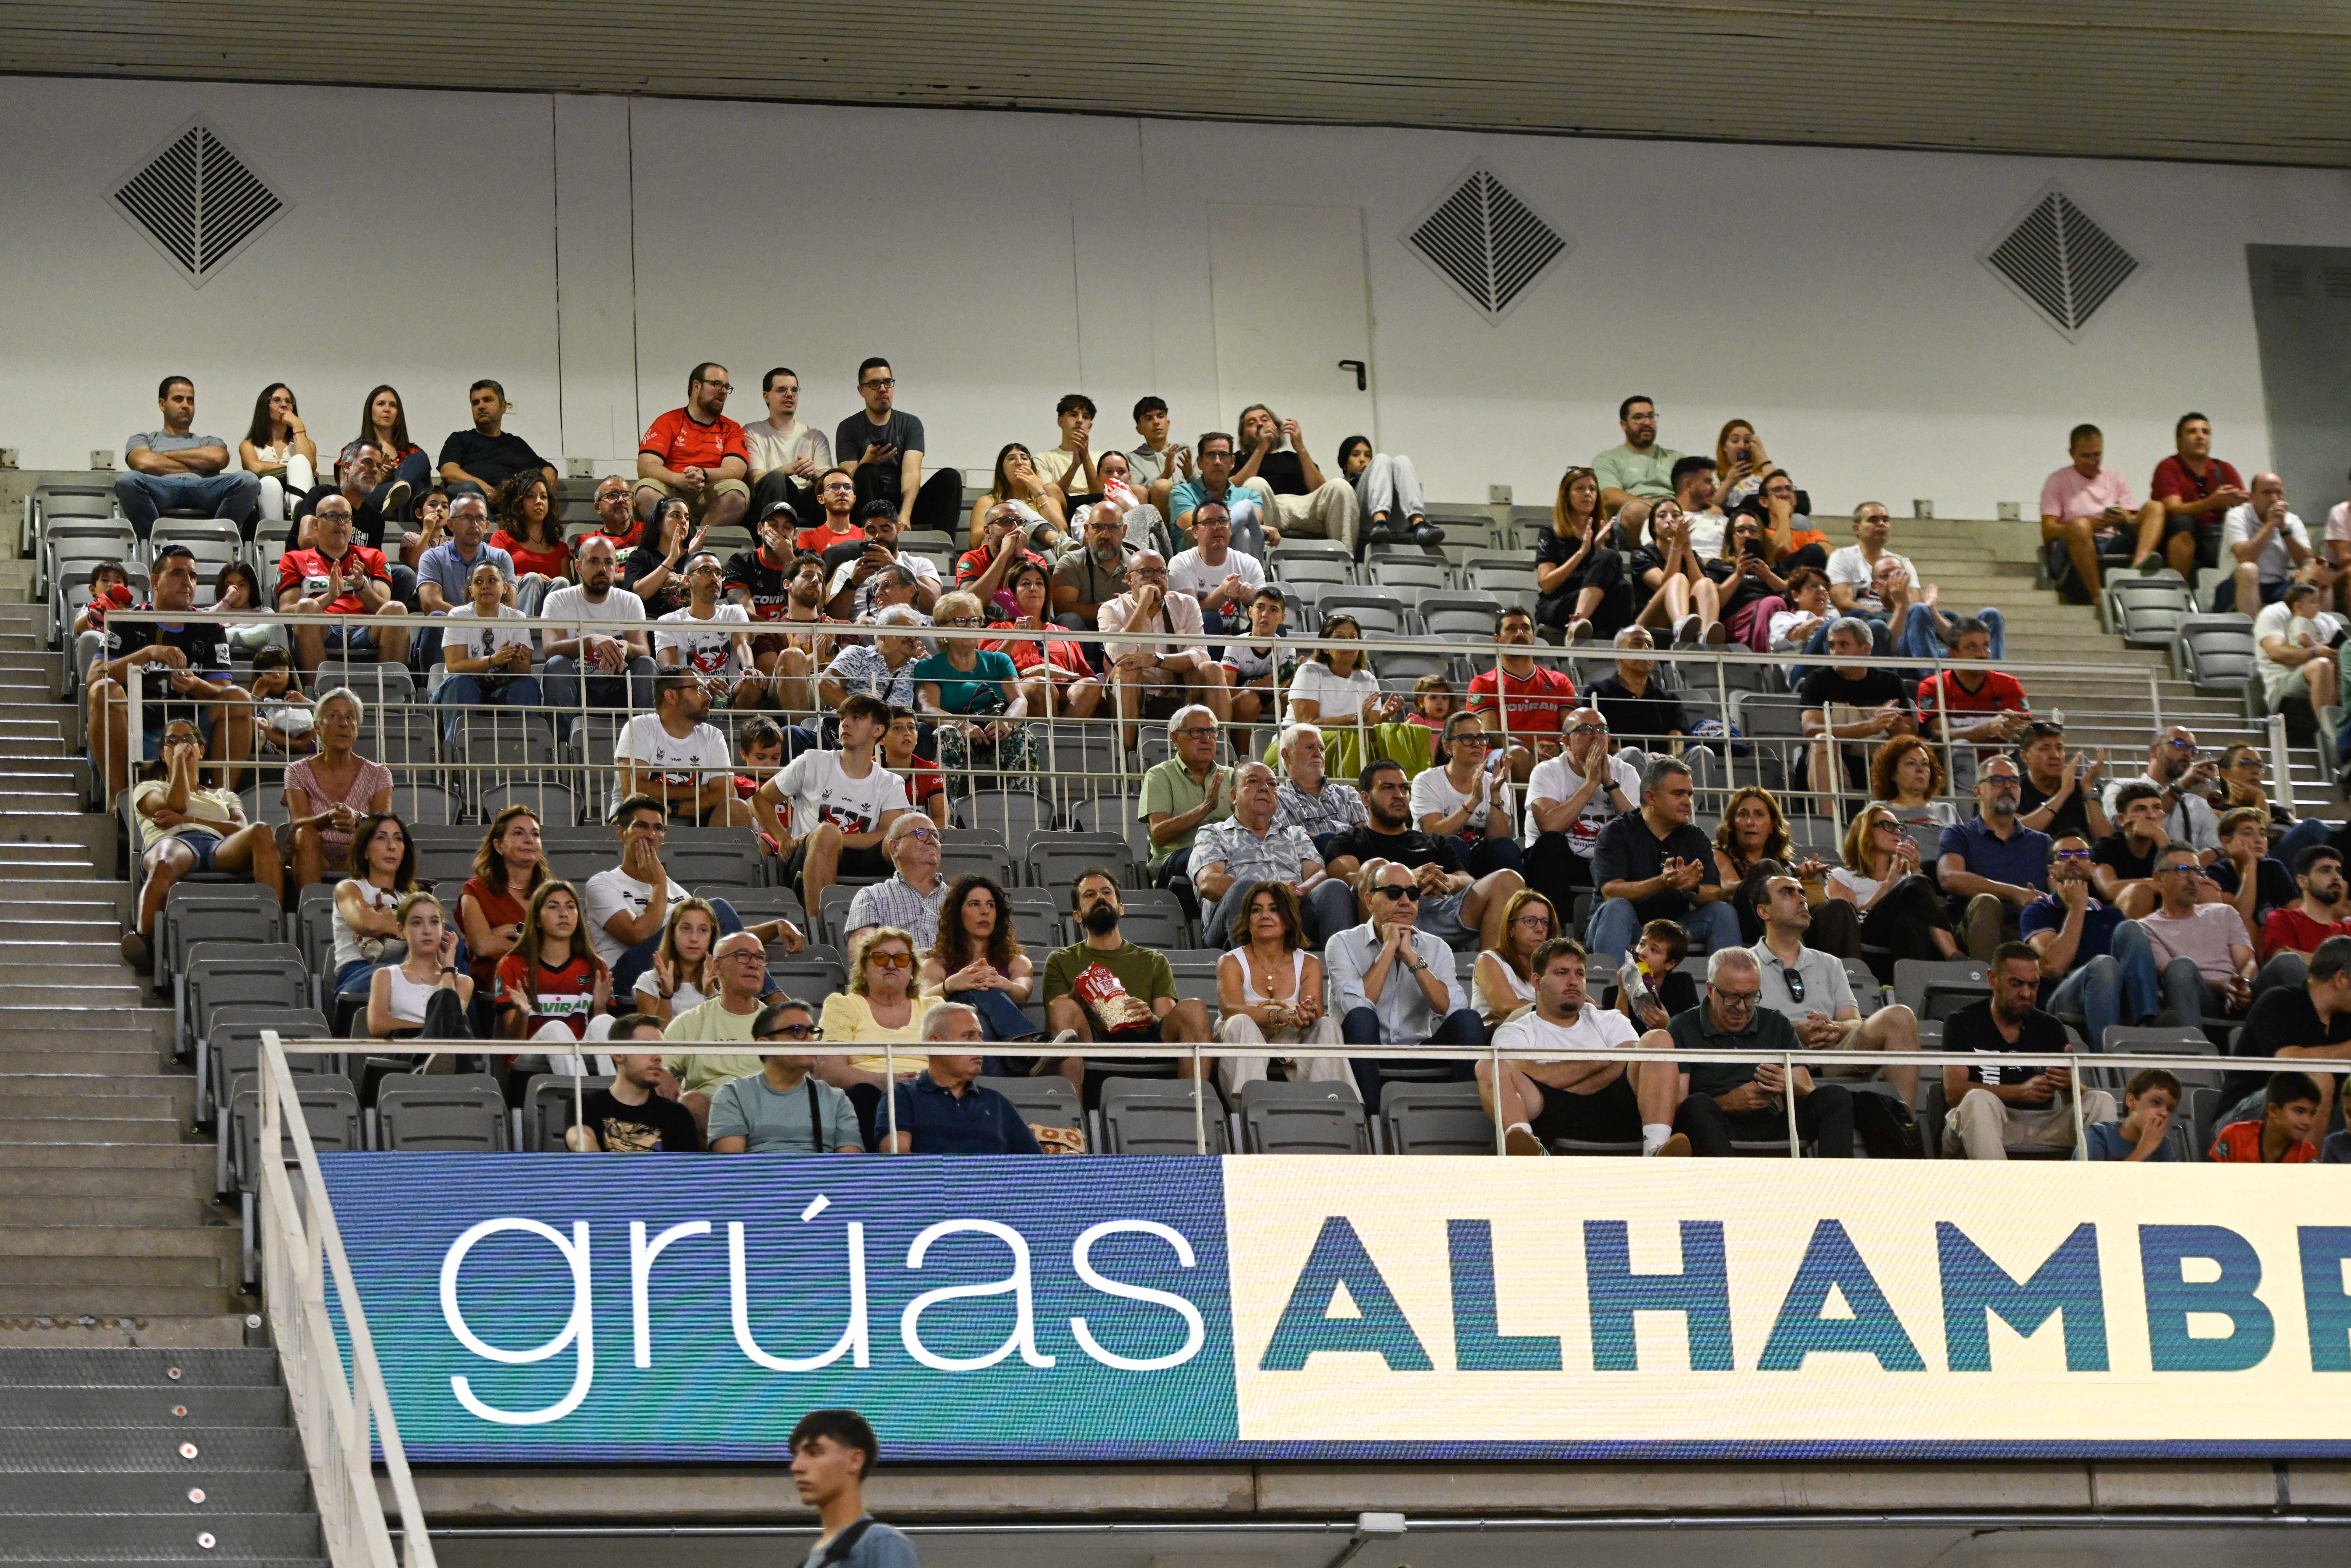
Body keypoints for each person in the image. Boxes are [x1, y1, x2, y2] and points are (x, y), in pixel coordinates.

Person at [1482, 937, 1687, 1157]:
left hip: (1616, 1111)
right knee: (1488, 1066)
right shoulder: (1515, 1031)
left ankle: (1656, 1151)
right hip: (1552, 1118)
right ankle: (1528, 1149)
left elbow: (1629, 1060)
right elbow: (1528, 1075)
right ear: (1537, 981)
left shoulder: (1611, 1019)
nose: (1573, 981)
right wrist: (1604, 1060)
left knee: (1658, 1039)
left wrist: (1558, 1082)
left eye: (1580, 974)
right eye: (1562, 973)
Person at [85, 544, 254, 802]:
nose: (188, 582)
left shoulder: (210, 628)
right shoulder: (126, 621)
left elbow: (223, 690)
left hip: (194, 735)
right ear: (155, 581)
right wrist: (148, 653)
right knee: (104, 690)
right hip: (135, 732)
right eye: (177, 573)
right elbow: (94, 677)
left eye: (193, 576)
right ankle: (117, 804)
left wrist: (196, 685)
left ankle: (221, 801)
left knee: (240, 698)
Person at [586, 793, 801, 993]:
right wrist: (659, 884)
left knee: (713, 916)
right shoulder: (603, 884)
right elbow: (638, 935)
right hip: (626, 977)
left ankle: (764, 1002)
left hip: (674, 973)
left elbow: (724, 933)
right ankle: (772, 998)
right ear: (621, 833)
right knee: (714, 908)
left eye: (658, 828)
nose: (651, 835)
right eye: (641, 826)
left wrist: (776, 926)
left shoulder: (675, 889)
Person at [1657, 946, 1853, 1158]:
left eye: (1751, 997)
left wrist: (1788, 1086)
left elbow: (1808, 1090)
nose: (1742, 1008)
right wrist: (1729, 1102)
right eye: (1732, 998)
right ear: (1711, 990)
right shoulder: (1682, 1027)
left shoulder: (1776, 1023)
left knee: (1836, 1096)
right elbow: (1678, 1107)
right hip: (1713, 1124)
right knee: (1695, 1106)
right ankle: (1734, 1185)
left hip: (1769, 1123)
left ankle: (1836, 1185)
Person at [121, 718, 283, 971]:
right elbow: (175, 805)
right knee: (164, 863)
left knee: (261, 831)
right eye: (173, 741)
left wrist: (189, 819)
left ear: (201, 750)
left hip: (218, 846)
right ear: (164, 755)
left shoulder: (223, 795)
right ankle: (145, 941)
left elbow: (240, 828)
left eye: (189, 740)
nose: (182, 745)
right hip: (174, 841)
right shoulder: (149, 788)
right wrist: (179, 771)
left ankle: (276, 925)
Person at [1751, 872, 1922, 1104]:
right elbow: (1739, 1022)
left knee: (1900, 1016)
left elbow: (1853, 1022)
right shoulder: (1743, 963)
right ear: (1765, 912)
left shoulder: (1830, 963)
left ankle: (1905, 1124)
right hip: (1775, 1057)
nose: (1801, 899)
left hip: (1830, 1056)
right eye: (1788, 893)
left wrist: (1836, 1028)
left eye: (1802, 892)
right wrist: (1793, 1029)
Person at [1325, 860, 1486, 1107]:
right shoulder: (1342, 943)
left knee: (1468, 1020)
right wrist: (1389, 948)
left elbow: (1452, 1009)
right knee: (1361, 1018)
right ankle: (1370, 1122)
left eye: (1412, 894)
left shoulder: (1436, 947)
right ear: (1369, 901)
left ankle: (1466, 1112)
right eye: (1393, 893)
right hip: (1362, 1054)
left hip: (1418, 1051)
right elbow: (1356, 1007)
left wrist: (1411, 957)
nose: (1405, 902)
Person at [1323, 759, 1526, 955]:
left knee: (1508, 879)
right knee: (1376, 867)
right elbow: (1347, 877)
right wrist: (1409, 878)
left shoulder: (1433, 841)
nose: (1399, 795)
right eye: (1388, 788)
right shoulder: (1348, 840)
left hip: (1438, 910)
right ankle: (1381, 964)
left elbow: (1467, 879)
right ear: (1366, 798)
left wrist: (1449, 880)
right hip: (1387, 913)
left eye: (1404, 788)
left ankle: (1489, 974)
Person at [1041, 870, 1211, 1103]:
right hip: (1094, 1040)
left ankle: (1194, 1108)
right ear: (1078, 916)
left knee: (1194, 1009)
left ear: (1121, 908)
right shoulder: (1061, 960)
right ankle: (1074, 1120)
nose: (1100, 898)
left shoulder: (1153, 959)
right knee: (1063, 1006)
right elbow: (1059, 1019)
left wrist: (1151, 1017)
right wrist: (1081, 993)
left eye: (1107, 892)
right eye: (1090, 895)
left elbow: (1166, 1017)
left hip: (1147, 1039)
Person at [1939, 942, 2115, 1160]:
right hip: (1979, 1122)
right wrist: (2020, 1092)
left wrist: (2070, 1083)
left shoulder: (2050, 1027)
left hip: (2039, 1124)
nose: (2026, 993)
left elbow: (2071, 1101)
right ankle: (2001, 1193)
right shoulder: (1962, 1021)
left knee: (2102, 1101)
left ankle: (2093, 1189)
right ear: (1993, 979)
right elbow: (1953, 1092)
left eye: (2033, 985)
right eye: (2017, 984)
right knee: (1979, 1100)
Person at [757, 694, 908, 910]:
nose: (845, 723)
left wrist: (838, 839)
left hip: (859, 860)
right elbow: (761, 800)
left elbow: (886, 834)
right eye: (843, 718)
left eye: (856, 718)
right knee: (826, 834)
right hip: (806, 856)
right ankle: (819, 928)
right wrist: (782, 838)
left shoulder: (891, 782)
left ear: (878, 731)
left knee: (914, 830)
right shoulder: (813, 761)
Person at [1586, 757, 1739, 958]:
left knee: (1723, 913)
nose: (1687, 802)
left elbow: (1714, 892)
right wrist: (1663, 882)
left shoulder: (1695, 836)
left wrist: (1692, 888)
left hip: (1673, 929)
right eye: (1679, 794)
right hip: (1624, 925)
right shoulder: (1617, 832)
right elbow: (1611, 891)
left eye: (1689, 794)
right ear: (1651, 798)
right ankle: (1610, 989)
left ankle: (1732, 986)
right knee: (1618, 907)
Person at [1191, 761, 1353, 947]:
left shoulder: (1295, 834)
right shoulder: (1213, 833)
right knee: (1242, 888)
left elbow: (1318, 874)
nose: (1264, 788)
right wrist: (1268, 894)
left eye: (1272, 784)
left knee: (1334, 887)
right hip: (1237, 920)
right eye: (1253, 782)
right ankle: (1250, 970)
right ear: (1234, 796)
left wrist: (1299, 891)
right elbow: (1208, 883)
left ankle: (1340, 972)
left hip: (1292, 917)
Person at [1214, 883, 1348, 1095]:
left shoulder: (1309, 963)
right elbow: (1230, 1009)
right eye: (1256, 910)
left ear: (1288, 920)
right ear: (1247, 921)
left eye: (1274, 909)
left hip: (1293, 1038)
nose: (1265, 916)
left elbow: (1315, 1014)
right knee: (1241, 1023)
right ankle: (1249, 1106)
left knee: (1327, 1026)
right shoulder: (1230, 961)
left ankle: (1334, 1104)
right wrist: (1279, 1015)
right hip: (1243, 1039)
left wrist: (1305, 1016)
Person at [2217, 933, 2351, 1134]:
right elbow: (2289, 1061)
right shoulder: (2280, 1002)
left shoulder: (2344, 1019)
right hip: (2239, 1122)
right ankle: (2310, 1165)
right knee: (2317, 1080)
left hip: (2311, 1122)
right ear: (2341, 979)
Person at [820, 925, 941, 1145]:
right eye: (881, 958)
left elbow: (955, 1062)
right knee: (864, 1095)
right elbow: (828, 1069)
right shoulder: (844, 1005)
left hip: (927, 1094)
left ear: (912, 969)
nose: (892, 965)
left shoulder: (934, 1007)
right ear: (864, 968)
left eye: (902, 959)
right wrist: (883, 1081)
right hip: (869, 1098)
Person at [1099, 552, 1231, 750]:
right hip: (1136, 690)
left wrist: (1155, 660)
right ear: (1129, 580)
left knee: (1213, 668)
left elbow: (1200, 653)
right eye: (1147, 572)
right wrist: (1143, 604)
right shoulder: (1111, 609)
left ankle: (1222, 751)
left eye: (1162, 572)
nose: (1156, 578)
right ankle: (1125, 758)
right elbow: (1120, 655)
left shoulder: (1186, 603)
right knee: (1127, 671)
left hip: (1180, 686)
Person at [707, 1001, 865, 1155]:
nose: (811, 1041)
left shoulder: (836, 1099)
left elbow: (849, 1169)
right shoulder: (733, 1095)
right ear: (764, 1045)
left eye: (812, 1032)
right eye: (798, 1031)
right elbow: (732, 1169)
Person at [660, 931, 780, 1132]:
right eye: (743, 956)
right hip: (713, 1117)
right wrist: (663, 1073)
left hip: (770, 1113)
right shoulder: (691, 1022)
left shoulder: (776, 1024)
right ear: (717, 967)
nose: (753, 964)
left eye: (760, 958)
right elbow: (658, 1064)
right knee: (692, 1102)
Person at [276, 492, 410, 671]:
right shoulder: (293, 559)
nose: (340, 522)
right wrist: (329, 598)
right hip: (323, 629)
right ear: (316, 525)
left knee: (397, 610)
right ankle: (317, 693)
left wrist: (363, 587)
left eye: (346, 517)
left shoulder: (373, 557)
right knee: (307, 607)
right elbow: (286, 612)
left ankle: (390, 693)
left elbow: (384, 610)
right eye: (332, 516)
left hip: (366, 630)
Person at [1936, 755, 2052, 960]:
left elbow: (2059, 890)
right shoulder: (1958, 834)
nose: (2008, 787)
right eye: (1997, 781)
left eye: (2014, 782)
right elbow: (1949, 878)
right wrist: (2012, 892)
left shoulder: (2043, 843)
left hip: (2029, 933)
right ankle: (1986, 987)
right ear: (1978, 791)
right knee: (1987, 903)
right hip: (1975, 930)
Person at [116, 376, 259, 540]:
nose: (186, 405)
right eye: (179, 399)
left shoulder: (209, 441)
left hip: (204, 488)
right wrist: (199, 466)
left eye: (190, 400)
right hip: (161, 489)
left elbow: (220, 458)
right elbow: (142, 462)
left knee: (249, 480)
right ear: (162, 404)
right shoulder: (144, 439)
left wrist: (162, 456)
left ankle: (216, 541)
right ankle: (156, 544)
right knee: (128, 480)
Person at [883, 1008, 1043, 1154]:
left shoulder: (998, 1103)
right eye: (969, 1036)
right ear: (935, 1043)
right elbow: (899, 1162)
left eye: (980, 1036)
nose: (980, 1044)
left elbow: (1039, 1168)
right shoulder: (901, 1096)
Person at [1522, 706, 1637, 909]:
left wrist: (1609, 783)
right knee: (1549, 844)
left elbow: (1640, 832)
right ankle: (1555, 931)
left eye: (1602, 730)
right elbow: (1549, 826)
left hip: (1609, 866)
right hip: (1565, 864)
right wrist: (1591, 783)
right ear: (1566, 742)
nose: (1595, 736)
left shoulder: (1625, 772)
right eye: (1585, 729)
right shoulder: (1547, 772)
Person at [279, 688, 392, 891]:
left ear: (357, 729)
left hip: (359, 855)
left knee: (378, 838)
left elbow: (383, 824)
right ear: (318, 728)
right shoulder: (296, 771)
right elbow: (299, 821)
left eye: (351, 718)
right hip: (314, 852)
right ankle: (312, 913)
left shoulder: (379, 774)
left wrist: (357, 818)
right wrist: (330, 817)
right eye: (334, 716)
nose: (344, 724)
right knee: (305, 834)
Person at [2137, 840, 2258, 1030]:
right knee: (2181, 967)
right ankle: (2191, 1050)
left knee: (2287, 962)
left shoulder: (2224, 913)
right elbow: (2170, 975)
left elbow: (2247, 961)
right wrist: (2223, 984)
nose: (2194, 879)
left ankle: (2298, 1053)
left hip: (2242, 994)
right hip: (2199, 997)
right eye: (2184, 870)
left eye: (2198, 871)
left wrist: (2243, 982)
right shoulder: (2146, 928)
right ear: (2159, 879)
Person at [913, 591, 1034, 775]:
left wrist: (1008, 723)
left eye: (975, 620)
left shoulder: (999, 660)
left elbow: (1019, 700)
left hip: (997, 731)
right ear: (943, 629)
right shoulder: (929, 666)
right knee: (946, 734)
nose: (970, 626)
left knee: (1024, 738)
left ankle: (1024, 802)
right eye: (961, 621)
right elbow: (928, 709)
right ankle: (946, 803)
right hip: (957, 734)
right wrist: (961, 724)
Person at [614, 670, 755, 828]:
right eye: (699, 690)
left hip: (699, 825)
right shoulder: (640, 727)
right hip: (642, 822)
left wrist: (674, 809)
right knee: (640, 806)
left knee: (736, 809)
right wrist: (699, 792)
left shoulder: (713, 736)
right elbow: (635, 790)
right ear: (672, 696)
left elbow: (724, 794)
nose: (709, 697)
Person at [835, 357, 961, 533]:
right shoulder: (848, 428)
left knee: (950, 477)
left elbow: (911, 472)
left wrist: (905, 515)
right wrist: (867, 462)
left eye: (888, 383)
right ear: (861, 390)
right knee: (867, 471)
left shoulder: (911, 424)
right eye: (874, 384)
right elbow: (847, 482)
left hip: (902, 501)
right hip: (867, 503)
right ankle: (872, 535)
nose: (883, 389)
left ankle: (944, 551)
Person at [2038, 423, 2167, 595]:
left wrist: (2123, 519)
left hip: (2111, 540)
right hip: (2073, 544)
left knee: (2156, 507)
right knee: (2080, 526)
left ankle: (2139, 565)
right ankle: (2098, 596)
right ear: (2072, 454)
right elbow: (2048, 530)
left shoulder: (2116, 478)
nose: (2093, 462)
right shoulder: (2057, 481)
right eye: (2086, 456)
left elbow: (2131, 519)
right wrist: (2087, 527)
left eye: (2097, 455)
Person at [1798, 617, 1915, 799]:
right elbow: (1811, 730)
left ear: (1866, 649)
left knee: (1917, 752)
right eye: (1832, 646)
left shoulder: (1890, 682)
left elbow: (1910, 734)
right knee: (1822, 742)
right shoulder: (1818, 680)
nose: (1835, 652)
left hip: (1878, 763)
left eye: (1844, 645)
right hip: (1832, 763)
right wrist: (1869, 727)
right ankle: (1830, 822)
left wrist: (1897, 726)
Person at [540, 535, 655, 716]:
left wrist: (627, 646)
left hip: (618, 685)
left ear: (616, 568)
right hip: (578, 685)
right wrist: (589, 641)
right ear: (579, 567)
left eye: (609, 563)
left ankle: (649, 736)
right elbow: (550, 649)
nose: (602, 569)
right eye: (594, 561)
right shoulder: (559, 599)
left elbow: (644, 650)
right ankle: (562, 743)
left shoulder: (630, 601)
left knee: (646, 664)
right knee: (557, 665)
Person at [788, 1409, 919, 1568]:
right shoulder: (812, 1561)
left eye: (814, 1453)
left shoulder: (880, 1542)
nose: (796, 1467)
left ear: (855, 1461)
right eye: (796, 1455)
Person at [1830, 802, 1960, 961]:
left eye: (1899, 827)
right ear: (1865, 832)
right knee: (1917, 883)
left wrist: (1916, 871)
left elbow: (1928, 913)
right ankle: (1953, 955)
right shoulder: (1842, 876)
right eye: (1888, 826)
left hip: (1899, 940)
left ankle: (1915, 980)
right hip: (1867, 937)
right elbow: (1851, 926)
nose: (1897, 832)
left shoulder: (1907, 878)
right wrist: (1889, 885)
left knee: (1911, 919)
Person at [431, 557, 540, 742]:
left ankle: (524, 753)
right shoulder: (458, 616)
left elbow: (523, 671)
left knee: (526, 686)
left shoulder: (516, 618)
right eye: (478, 582)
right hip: (459, 690)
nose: (485, 586)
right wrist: (493, 661)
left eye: (492, 580)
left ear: (505, 588)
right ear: (471, 591)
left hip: (501, 690)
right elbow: (454, 666)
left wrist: (517, 660)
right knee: (461, 684)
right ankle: (458, 757)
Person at [920, 874, 1038, 1043]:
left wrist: (1002, 983)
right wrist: (952, 984)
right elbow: (923, 1003)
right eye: (975, 904)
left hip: (997, 1048)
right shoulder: (936, 964)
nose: (985, 912)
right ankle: (1027, 1042)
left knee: (983, 990)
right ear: (958, 913)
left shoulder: (1018, 962)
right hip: (957, 1046)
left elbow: (1023, 993)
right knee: (975, 1016)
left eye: (991, 905)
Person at [1467, 607, 1579, 781]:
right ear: (1497, 640)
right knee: (1517, 755)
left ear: (1533, 637)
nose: (1520, 633)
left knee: (1579, 755)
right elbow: (1491, 735)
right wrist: (1533, 747)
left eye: (1526, 628)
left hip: (1552, 755)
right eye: (1511, 629)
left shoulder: (1560, 681)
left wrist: (1558, 747)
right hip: (1502, 756)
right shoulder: (1483, 684)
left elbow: (1571, 729)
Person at [1234, 403, 1357, 556]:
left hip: (1303, 506)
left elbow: (1320, 490)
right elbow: (1234, 489)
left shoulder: (1294, 458)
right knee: (1256, 484)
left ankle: (1346, 559)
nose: (1260, 424)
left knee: (1341, 486)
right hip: (1270, 508)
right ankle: (1259, 563)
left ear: (1278, 429)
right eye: (1252, 423)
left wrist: (1300, 446)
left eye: (1265, 420)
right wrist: (1262, 447)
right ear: (1243, 438)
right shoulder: (1239, 459)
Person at [988, 558, 1103, 720]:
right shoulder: (998, 630)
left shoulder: (1063, 633)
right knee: (1041, 686)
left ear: (1045, 595)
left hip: (1062, 689)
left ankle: (1060, 737)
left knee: (1091, 685)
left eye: (1040, 584)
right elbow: (989, 669)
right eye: (1026, 584)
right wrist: (1014, 635)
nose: (1034, 589)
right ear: (1012, 594)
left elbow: (1083, 673)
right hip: (1018, 690)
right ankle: (1054, 740)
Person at [1136, 704, 1235, 890]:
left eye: (1212, 732)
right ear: (1176, 738)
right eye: (1197, 732)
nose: (1207, 739)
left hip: (1228, 856)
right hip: (1176, 862)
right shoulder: (1160, 775)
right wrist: (1206, 807)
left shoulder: (1232, 776)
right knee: (1208, 853)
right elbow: (1159, 834)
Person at [1412, 712, 1523, 877]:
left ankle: (1511, 901)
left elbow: (1498, 839)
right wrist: (1474, 801)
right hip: (1438, 862)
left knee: (1506, 848)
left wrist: (1494, 794)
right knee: (1453, 844)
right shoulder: (1427, 781)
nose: (1477, 744)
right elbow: (1433, 834)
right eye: (1468, 738)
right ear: (1448, 746)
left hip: (1480, 857)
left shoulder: (1495, 783)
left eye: (1482, 738)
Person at [1913, 620, 2028, 780]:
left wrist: (2016, 729)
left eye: (1986, 646)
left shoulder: (2009, 684)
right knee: (1963, 749)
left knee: (2030, 754)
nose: (1982, 654)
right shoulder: (1933, 686)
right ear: (1953, 654)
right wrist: (1988, 728)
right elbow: (1939, 733)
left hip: (2001, 765)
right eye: (1972, 647)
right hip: (1951, 766)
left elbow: (2027, 730)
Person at [555, 1028, 699, 1154]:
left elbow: (685, 1174)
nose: (658, 1058)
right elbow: (580, 1139)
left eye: (661, 1050)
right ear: (619, 1054)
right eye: (648, 1048)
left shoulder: (677, 1113)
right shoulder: (586, 1104)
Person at [459, 805, 546, 1010]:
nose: (529, 840)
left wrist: (507, 932)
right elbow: (482, 945)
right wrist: (537, 947)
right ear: (499, 846)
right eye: (518, 833)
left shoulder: (550, 893)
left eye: (535, 834)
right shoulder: (475, 890)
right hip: (496, 981)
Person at [652, 550, 761, 710]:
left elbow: (742, 643)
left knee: (754, 684)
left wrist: (749, 669)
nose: (714, 577)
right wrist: (701, 685)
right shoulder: (668, 622)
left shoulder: (734, 612)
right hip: (689, 691)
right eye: (705, 571)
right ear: (688, 580)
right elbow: (671, 673)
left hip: (730, 691)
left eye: (719, 573)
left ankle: (732, 729)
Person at [1536, 467, 1632, 644]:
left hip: (1598, 606)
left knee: (1623, 587)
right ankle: (1577, 623)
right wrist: (1582, 552)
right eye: (1580, 488)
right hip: (1561, 604)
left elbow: (1614, 580)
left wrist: (1599, 548)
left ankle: (1618, 649)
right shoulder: (1551, 533)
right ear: (1567, 495)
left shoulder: (1607, 532)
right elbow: (1548, 585)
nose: (1588, 494)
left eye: (1593, 489)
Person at [363, 891, 473, 1040]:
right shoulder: (385, 975)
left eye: (434, 922)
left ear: (443, 928)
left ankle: (435, 1062)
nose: (427, 931)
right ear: (401, 931)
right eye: (417, 923)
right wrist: (431, 1030)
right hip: (403, 1053)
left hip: (446, 1054)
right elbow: (378, 1025)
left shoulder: (462, 982)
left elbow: (451, 1022)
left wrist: (448, 969)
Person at [330, 812, 416, 1000]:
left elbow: (437, 937)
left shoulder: (412, 898)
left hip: (408, 970)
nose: (391, 846)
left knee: (448, 940)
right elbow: (367, 923)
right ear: (365, 851)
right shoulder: (350, 888)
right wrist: (412, 931)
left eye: (398, 839)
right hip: (360, 973)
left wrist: (388, 924)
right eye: (381, 838)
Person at [2100, 726, 2222, 857]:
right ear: (2154, 750)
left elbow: (2217, 849)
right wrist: (2180, 786)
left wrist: (2194, 864)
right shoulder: (2120, 788)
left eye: (2193, 750)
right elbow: (2121, 828)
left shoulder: (2198, 804)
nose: (2188, 754)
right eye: (2179, 745)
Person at [1585, 628, 1699, 764]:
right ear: (1618, 654)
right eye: (1637, 644)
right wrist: (1642, 758)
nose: (1646, 650)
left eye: (1650, 645)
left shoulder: (1670, 699)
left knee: (1702, 754)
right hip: (1620, 766)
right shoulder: (1598, 693)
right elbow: (1598, 740)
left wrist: (1665, 760)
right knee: (1632, 754)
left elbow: (1677, 743)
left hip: (1662, 766)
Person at [741, 367, 833, 530]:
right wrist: (787, 469)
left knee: (826, 488)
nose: (790, 394)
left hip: (807, 500)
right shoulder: (753, 432)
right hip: (772, 497)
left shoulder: (815, 436)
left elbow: (831, 482)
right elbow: (756, 480)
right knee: (776, 479)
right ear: (766, 396)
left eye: (794, 390)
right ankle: (772, 544)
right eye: (782, 390)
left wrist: (814, 474)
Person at [1626, 498, 1726, 645]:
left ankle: (1705, 637)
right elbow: (1661, 585)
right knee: (1678, 579)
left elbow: (1699, 587)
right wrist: (1677, 546)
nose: (1670, 520)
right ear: (1653, 527)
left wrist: (1687, 551)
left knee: (1706, 583)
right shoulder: (1641, 554)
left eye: (1676, 515)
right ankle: (1680, 627)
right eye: (1662, 516)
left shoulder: (1692, 554)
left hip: (1690, 618)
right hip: (1648, 618)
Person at [2220, 471, 2320, 615]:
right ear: (2252, 497)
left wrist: (2284, 530)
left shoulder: (2292, 520)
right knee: (2249, 569)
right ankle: (2251, 634)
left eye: (2278, 493)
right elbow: (2244, 557)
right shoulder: (2236, 516)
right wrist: (2270, 525)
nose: (2274, 499)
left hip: (2279, 587)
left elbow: (2307, 562)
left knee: (2316, 573)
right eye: (2267, 493)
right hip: (2237, 585)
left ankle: (2321, 630)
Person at [437, 379, 557, 499]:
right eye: (476, 403)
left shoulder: (516, 444)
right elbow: (448, 472)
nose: (481, 406)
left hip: (510, 505)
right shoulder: (459, 439)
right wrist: (482, 486)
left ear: (504, 406)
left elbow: (546, 469)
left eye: (488, 400)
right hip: (474, 502)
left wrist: (548, 472)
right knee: (465, 489)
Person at [1170, 430, 1277, 561]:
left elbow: (1256, 519)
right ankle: (1248, 580)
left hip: (1239, 561)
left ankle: (1240, 579)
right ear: (1200, 462)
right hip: (1195, 565)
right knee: (1246, 509)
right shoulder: (1182, 492)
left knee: (1243, 533)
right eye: (1211, 455)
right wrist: (1243, 516)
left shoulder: (1249, 494)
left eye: (1224, 455)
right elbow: (1195, 526)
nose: (1217, 462)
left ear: (1232, 462)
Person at [845, 815, 947, 949]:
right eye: (921, 833)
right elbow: (862, 954)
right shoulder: (872, 897)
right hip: (898, 968)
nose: (932, 841)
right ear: (895, 848)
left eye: (935, 835)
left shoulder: (957, 898)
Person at [825, 506, 943, 620]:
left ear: (899, 529)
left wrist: (896, 567)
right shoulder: (849, 570)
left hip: (909, 631)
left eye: (886, 529)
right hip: (863, 634)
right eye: (871, 530)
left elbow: (935, 608)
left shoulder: (920, 564)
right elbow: (833, 619)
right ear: (863, 532)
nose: (878, 535)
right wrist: (853, 583)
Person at [1166, 501, 1266, 635]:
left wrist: (1253, 599)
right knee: (1209, 619)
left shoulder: (1249, 563)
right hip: (1200, 642)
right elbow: (1186, 617)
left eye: (1223, 521)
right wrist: (1223, 593)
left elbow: (1269, 609)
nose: (1218, 527)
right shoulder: (1181, 563)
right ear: (1195, 532)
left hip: (1242, 641)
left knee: (1273, 623)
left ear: (1230, 528)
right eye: (1209, 522)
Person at [414, 490, 516, 620]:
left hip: (492, 632)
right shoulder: (432, 558)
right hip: (449, 631)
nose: (474, 525)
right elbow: (431, 604)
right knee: (437, 616)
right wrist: (473, 620)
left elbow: (509, 605)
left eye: (480, 519)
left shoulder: (501, 558)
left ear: (487, 526)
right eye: (467, 518)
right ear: (451, 524)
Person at [2255, 579, 2339, 733]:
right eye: (2313, 583)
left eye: (2325, 587)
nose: (2318, 591)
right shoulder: (2275, 613)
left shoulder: (2331, 621)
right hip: (2284, 686)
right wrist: (2316, 652)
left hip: (2328, 679)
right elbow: (2276, 652)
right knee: (2322, 665)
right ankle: (2331, 736)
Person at [2015, 720, 2110, 844]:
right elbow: (2016, 833)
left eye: (2059, 748)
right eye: (2045, 748)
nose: (2055, 755)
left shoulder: (2082, 788)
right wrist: (2064, 792)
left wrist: (2088, 789)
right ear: (2024, 756)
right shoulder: (2014, 788)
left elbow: (2106, 842)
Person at [1473, 888, 1559, 1025]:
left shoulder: (1551, 969)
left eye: (1545, 922)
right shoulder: (1489, 960)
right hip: (1499, 1041)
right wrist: (1561, 1009)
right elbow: (1507, 1008)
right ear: (1511, 929)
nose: (1540, 929)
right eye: (1530, 921)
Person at [631, 896, 723, 1024]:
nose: (694, 939)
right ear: (673, 934)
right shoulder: (649, 982)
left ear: (712, 937)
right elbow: (654, 1039)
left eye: (703, 930)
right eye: (686, 929)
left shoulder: (725, 982)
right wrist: (665, 995)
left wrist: (711, 994)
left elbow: (725, 1035)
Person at [1335, 434, 1436, 548]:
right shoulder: (1342, 486)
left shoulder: (1380, 476)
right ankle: (1379, 521)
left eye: (1368, 456)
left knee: (1402, 461)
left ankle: (1419, 525)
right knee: (1382, 458)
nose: (1363, 460)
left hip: (1396, 523)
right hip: (1365, 520)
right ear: (1345, 463)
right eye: (1356, 455)